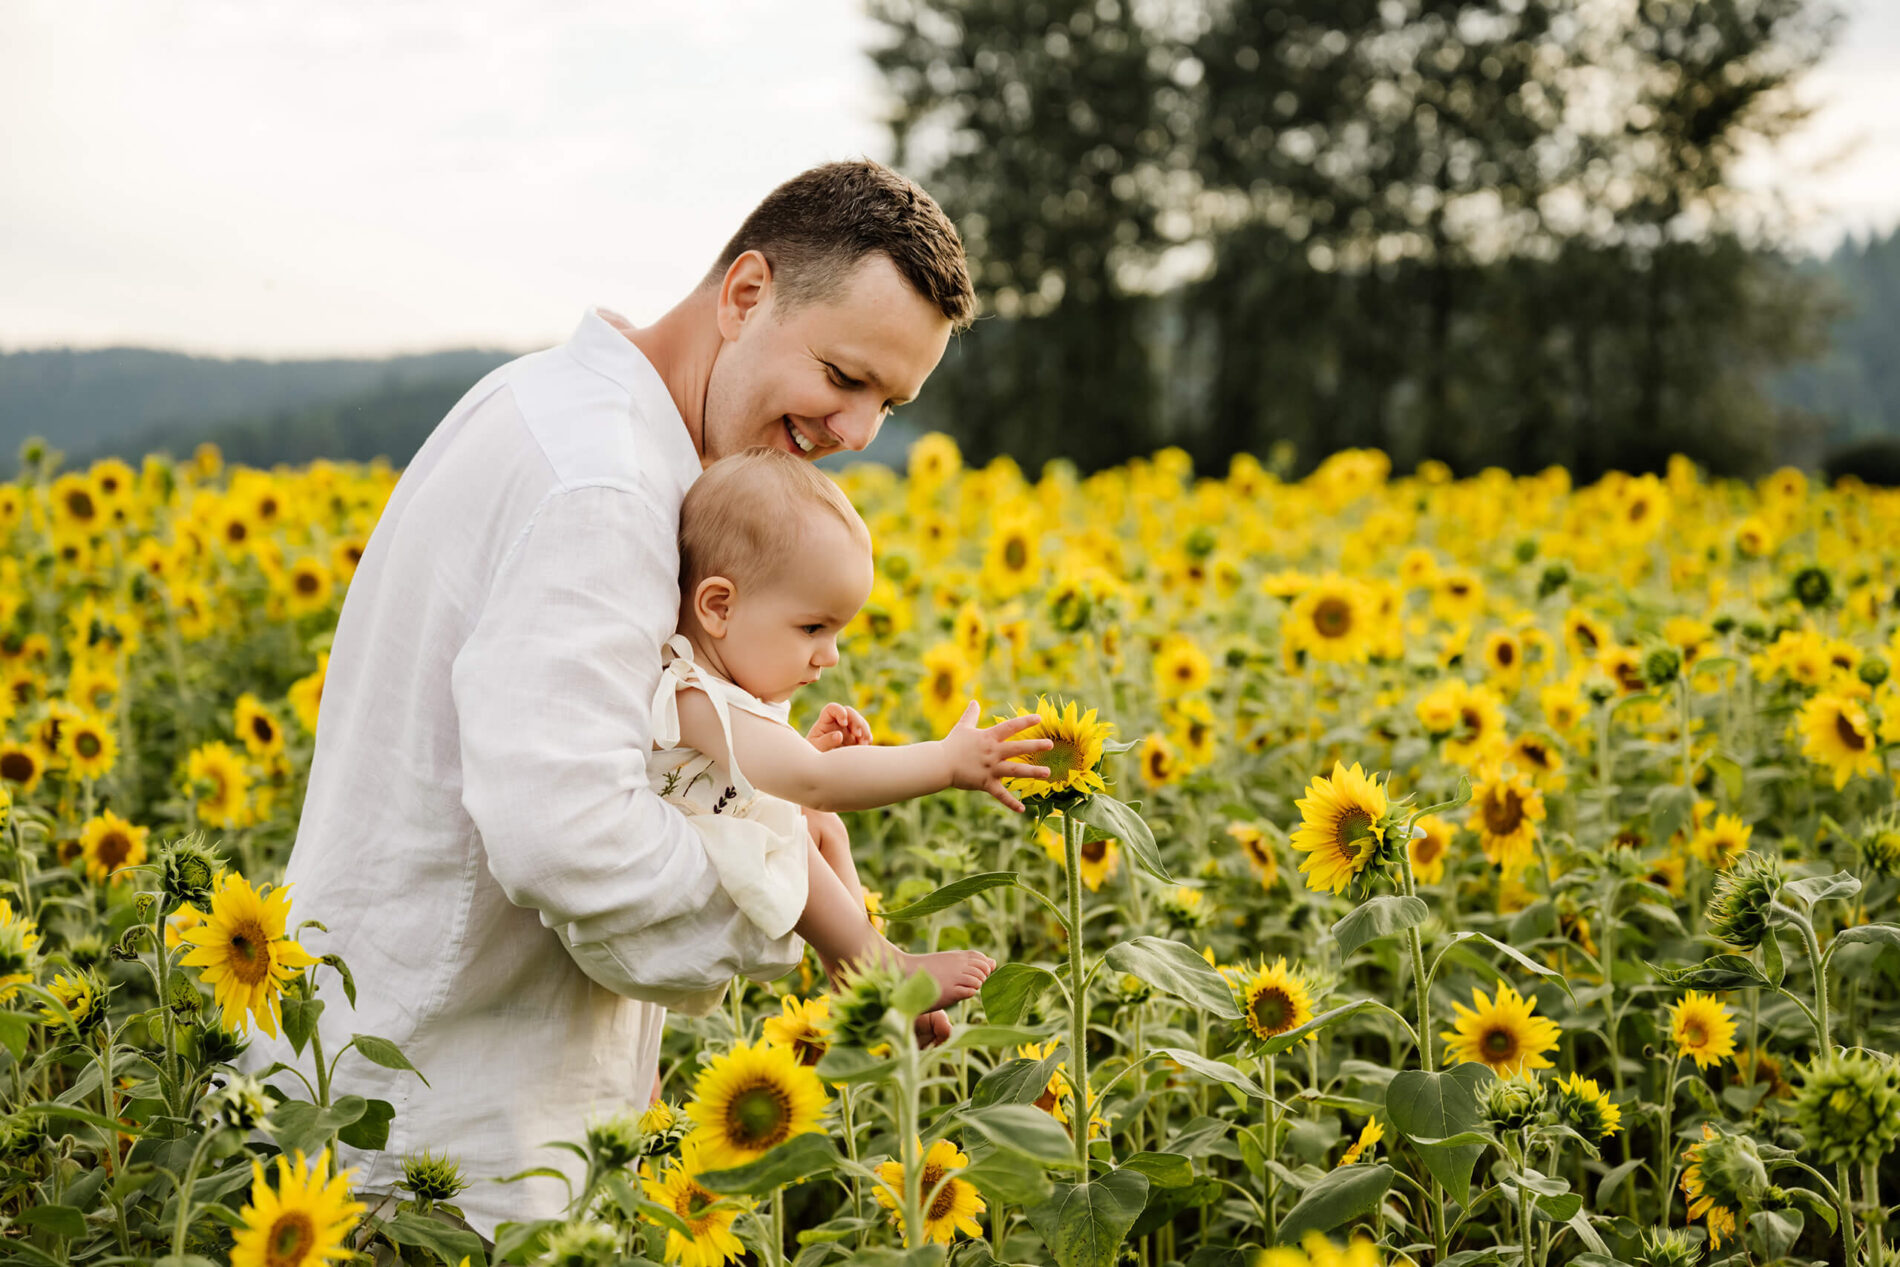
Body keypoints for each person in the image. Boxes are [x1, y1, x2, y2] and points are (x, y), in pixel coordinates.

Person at [239, 160, 979, 1242]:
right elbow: (570, 834)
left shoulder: (550, 404)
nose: (858, 430)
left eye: (890, 402)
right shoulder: (605, 490)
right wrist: (801, 908)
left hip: (389, 1069)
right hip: (436, 1136)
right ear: (744, 293)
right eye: (842, 373)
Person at [650, 447, 1051, 1031]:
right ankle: (877, 966)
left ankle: (860, 971)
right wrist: (947, 761)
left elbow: (752, 779)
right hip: (678, 873)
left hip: (718, 835)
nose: (829, 655)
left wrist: (803, 751)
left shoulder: (719, 694)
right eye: (812, 627)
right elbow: (814, 783)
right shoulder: (692, 694)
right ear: (718, 607)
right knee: (799, 821)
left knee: (819, 824)